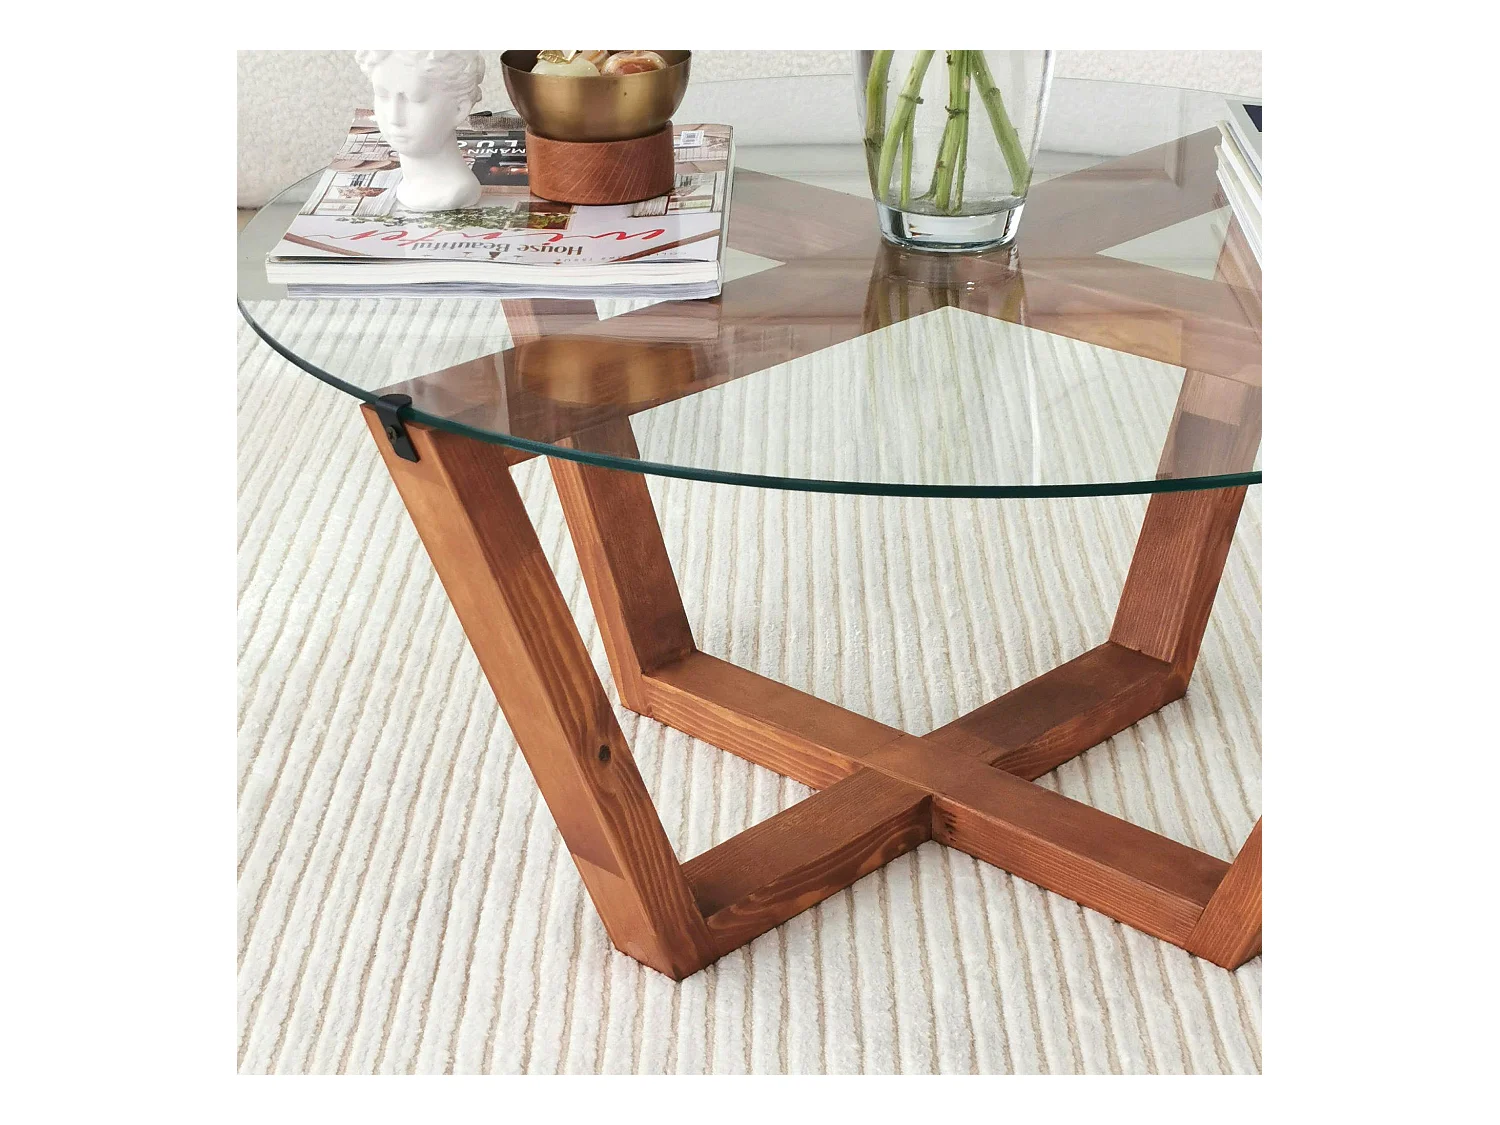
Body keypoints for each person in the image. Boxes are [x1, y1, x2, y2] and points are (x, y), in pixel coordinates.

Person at [354, 51, 485, 211]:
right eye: (382, 95)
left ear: (459, 109)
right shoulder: (407, 185)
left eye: (415, 99)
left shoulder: (455, 193)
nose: (395, 118)